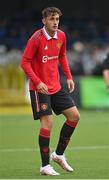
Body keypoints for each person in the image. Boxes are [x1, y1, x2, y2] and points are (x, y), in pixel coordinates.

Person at [20, 7, 80, 176]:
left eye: (57, 19)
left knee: (75, 116)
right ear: (44, 21)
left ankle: (59, 155)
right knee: (48, 123)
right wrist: (37, 82)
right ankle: (45, 166)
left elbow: (62, 56)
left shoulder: (61, 35)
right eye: (52, 19)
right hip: (40, 88)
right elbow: (24, 63)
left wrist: (68, 76)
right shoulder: (36, 39)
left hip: (55, 86)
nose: (55, 22)